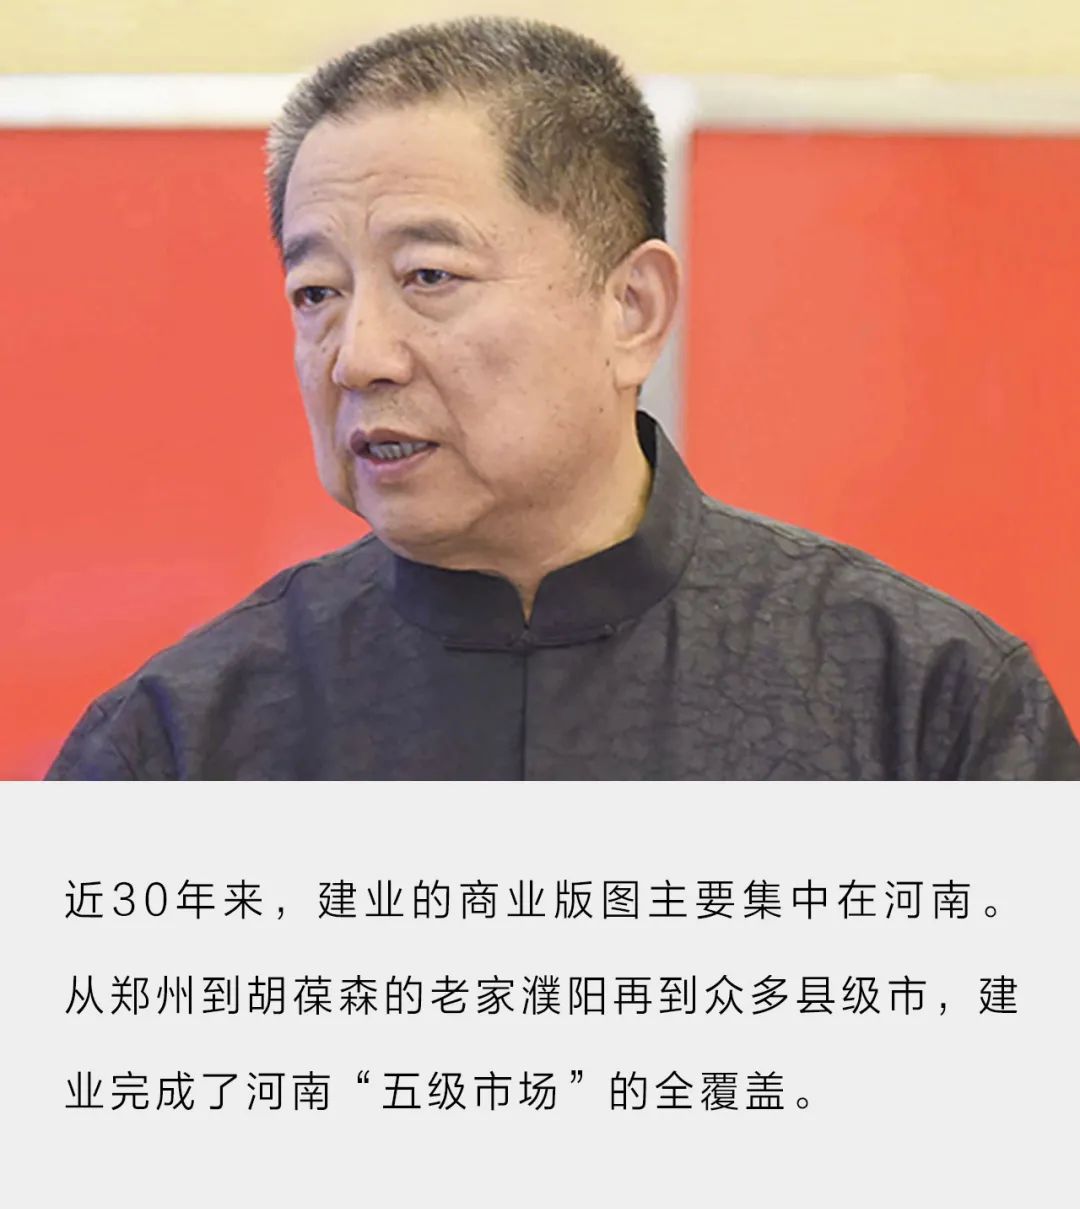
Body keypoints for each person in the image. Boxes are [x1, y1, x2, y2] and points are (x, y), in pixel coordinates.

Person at [47, 16, 1079, 780]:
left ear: (631, 308)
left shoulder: (929, 706)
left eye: (429, 277)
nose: (358, 358)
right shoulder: (175, 742)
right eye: (317, 293)